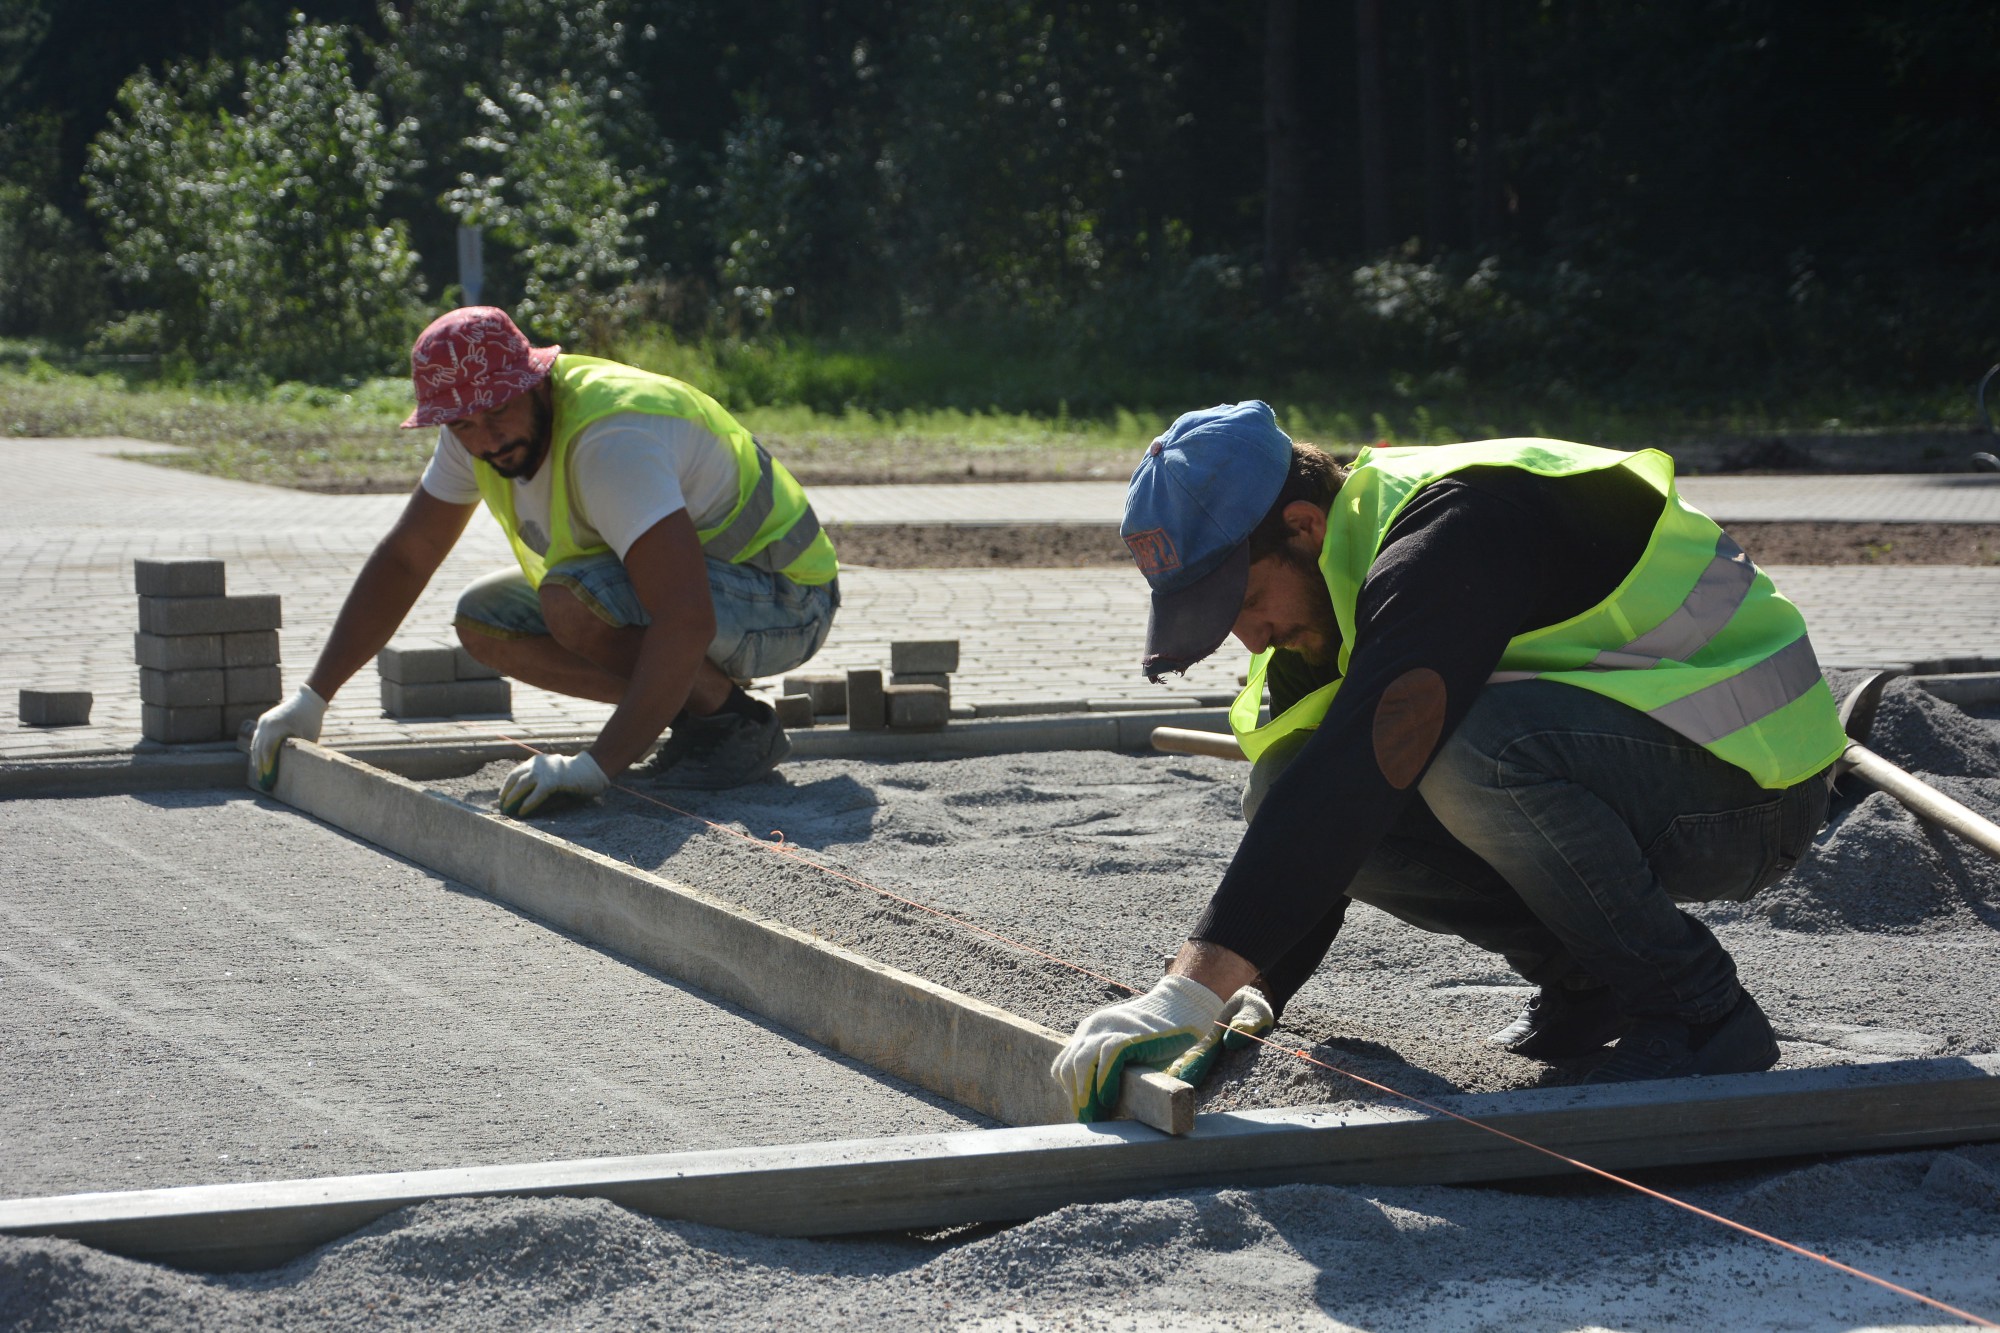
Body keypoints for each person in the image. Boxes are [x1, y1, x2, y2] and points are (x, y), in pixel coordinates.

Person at [1052, 402, 1843, 1121]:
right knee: (1285, 780)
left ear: (1302, 525)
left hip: (1754, 785)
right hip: (1632, 763)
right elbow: (1316, 800)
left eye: (1243, 602)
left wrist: (1186, 992)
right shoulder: (1327, 583)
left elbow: (1361, 772)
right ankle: (1588, 979)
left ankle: (1698, 1010)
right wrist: (1247, 997)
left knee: (1476, 750)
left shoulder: (1457, 525)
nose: (1248, 637)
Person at [248, 306, 839, 813]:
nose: (486, 439)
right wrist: (313, 697)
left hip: (786, 598)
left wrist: (597, 766)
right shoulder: (470, 434)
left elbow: (687, 619)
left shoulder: (611, 440)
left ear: (534, 382)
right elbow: (409, 555)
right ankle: (698, 715)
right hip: (691, 591)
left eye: (497, 413)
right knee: (486, 622)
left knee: (570, 599)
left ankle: (734, 727)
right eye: (463, 424)